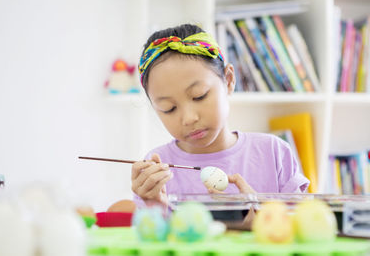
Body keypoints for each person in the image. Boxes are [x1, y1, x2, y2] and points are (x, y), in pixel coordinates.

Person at [132, 23, 309, 208]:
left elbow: (304, 227)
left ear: (229, 80)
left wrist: (261, 212)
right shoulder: (156, 168)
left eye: (199, 96)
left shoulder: (273, 153)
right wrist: (154, 205)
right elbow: (147, 233)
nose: (189, 118)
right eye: (169, 108)